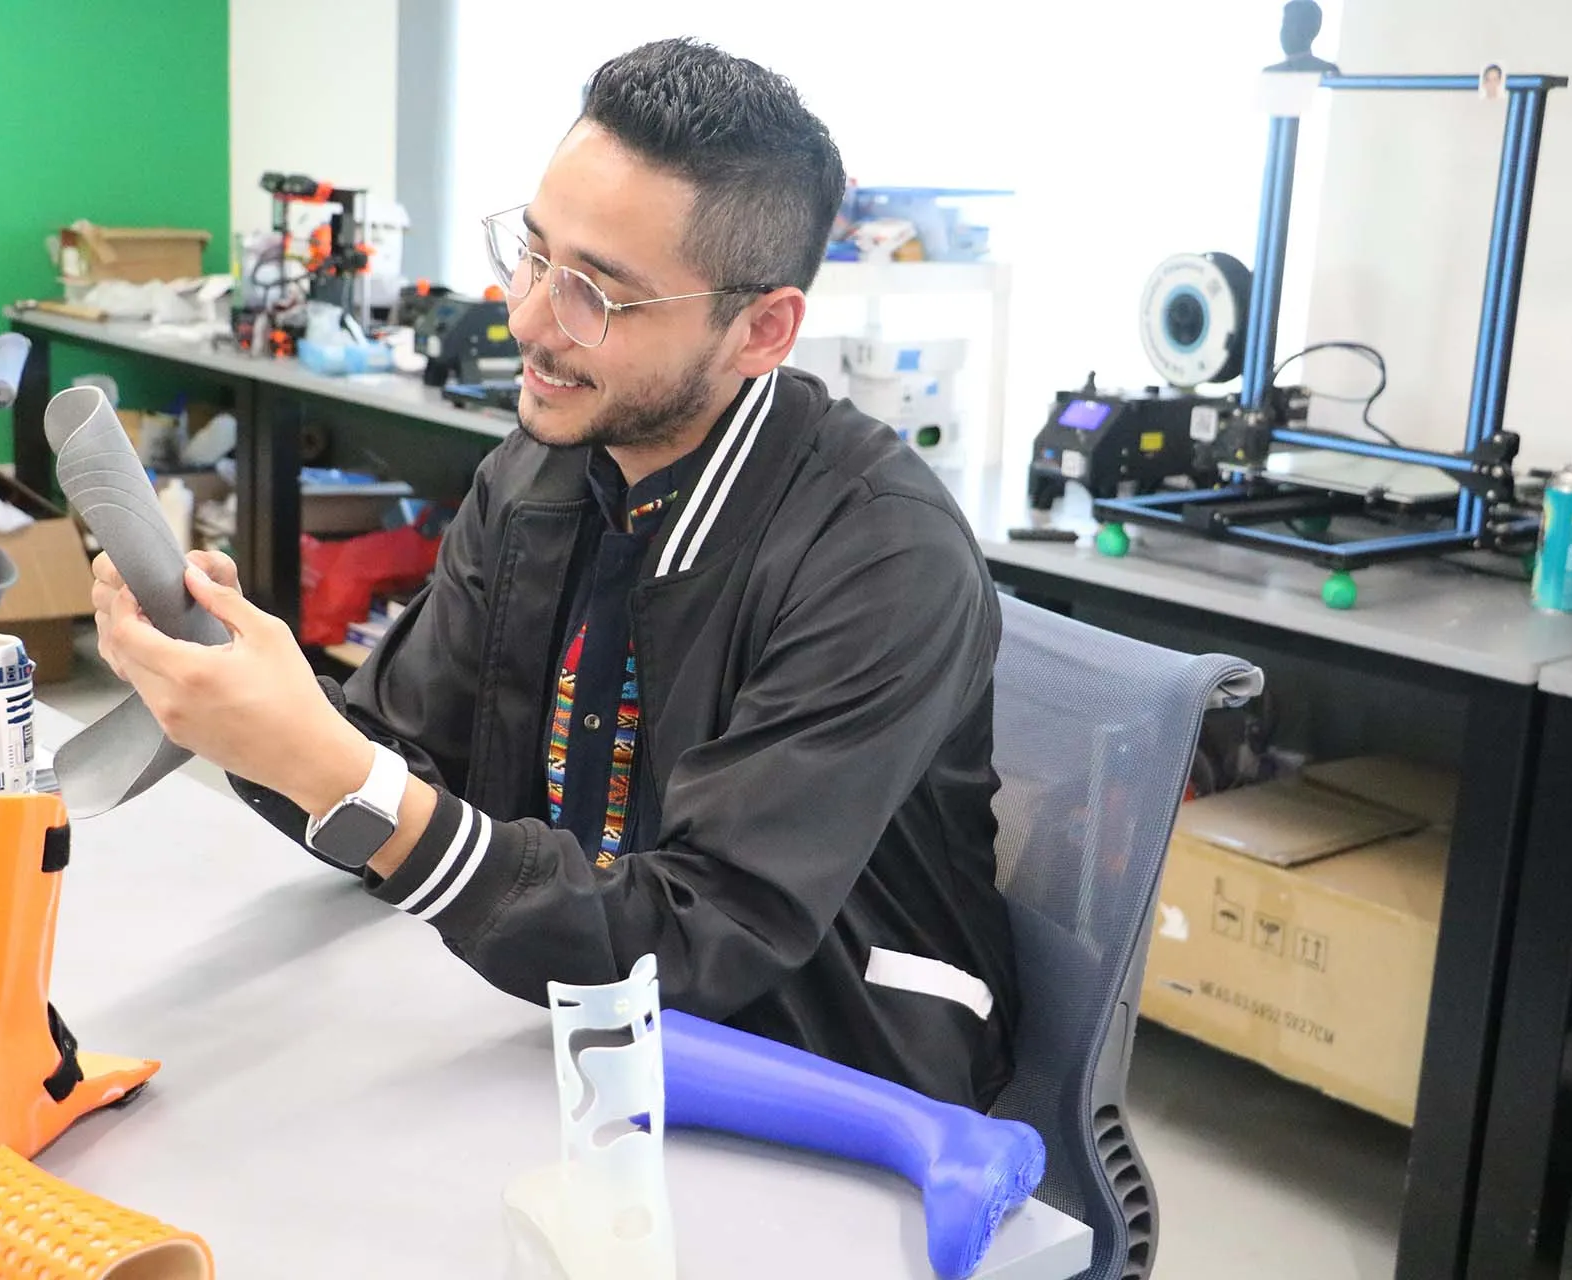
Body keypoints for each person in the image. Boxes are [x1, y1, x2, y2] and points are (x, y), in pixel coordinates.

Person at [92, 38, 1017, 1110]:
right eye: (532, 254)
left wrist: (340, 773)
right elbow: (404, 760)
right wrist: (245, 699)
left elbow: (701, 942)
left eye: (598, 296)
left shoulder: (880, 556)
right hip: (557, 1021)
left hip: (831, 1079)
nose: (527, 317)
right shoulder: (539, 471)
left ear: (761, 329)